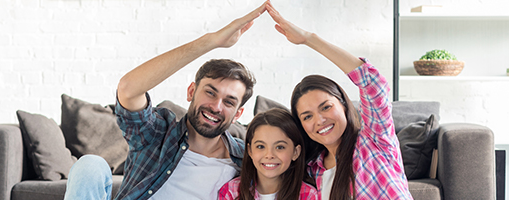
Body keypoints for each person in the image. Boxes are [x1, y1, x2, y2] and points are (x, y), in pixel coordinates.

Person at [63, 2, 268, 200]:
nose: (216, 106)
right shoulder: (157, 134)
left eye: (229, 102)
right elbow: (128, 89)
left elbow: (297, 168)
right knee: (90, 165)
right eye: (210, 93)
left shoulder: (248, 159)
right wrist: (212, 41)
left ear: (238, 115)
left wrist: (302, 38)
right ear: (191, 91)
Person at [266, 2, 414, 200]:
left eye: (326, 107)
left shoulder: (373, 141)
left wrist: (309, 39)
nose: (319, 121)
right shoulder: (313, 168)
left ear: (343, 105)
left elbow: (373, 84)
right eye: (307, 116)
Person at [218, 108, 319, 200]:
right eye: (261, 146)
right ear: (250, 150)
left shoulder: (308, 195)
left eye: (280, 147)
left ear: (295, 152)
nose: (269, 155)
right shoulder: (231, 191)